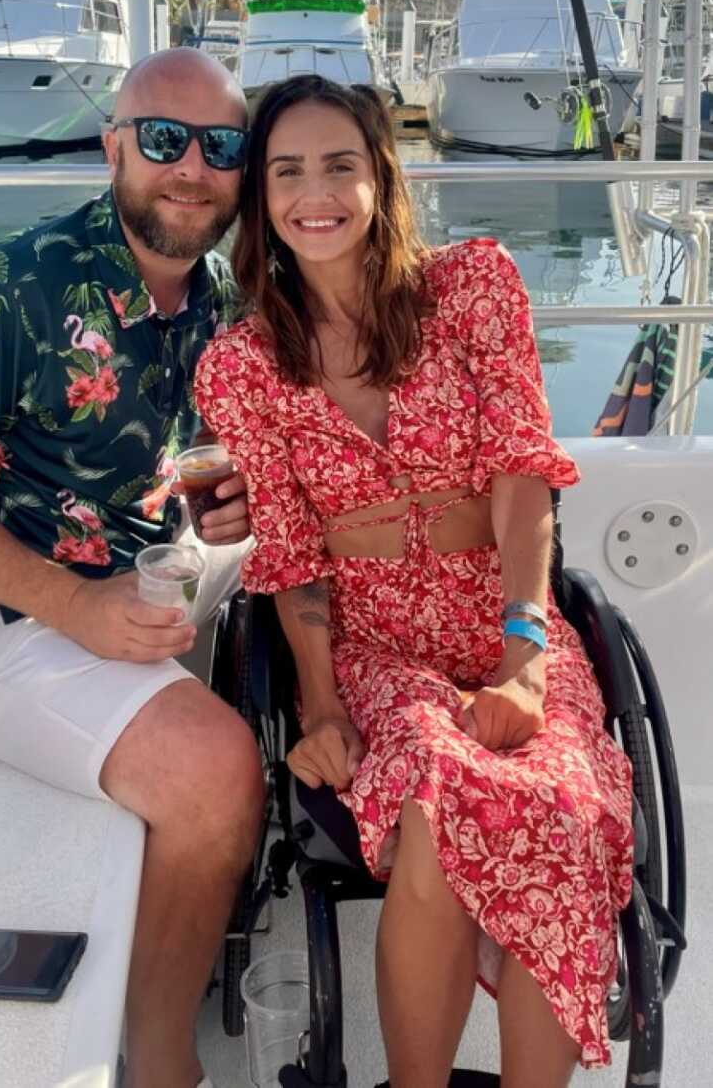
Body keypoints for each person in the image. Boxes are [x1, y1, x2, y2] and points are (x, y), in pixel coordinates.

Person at [194, 75, 634, 1087]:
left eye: (340, 165)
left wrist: (526, 654)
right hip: (376, 640)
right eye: (287, 170)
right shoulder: (242, 364)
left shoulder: (473, 284)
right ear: (260, 197)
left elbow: (524, 477)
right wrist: (322, 703)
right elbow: (295, 551)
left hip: (504, 612)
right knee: (438, 795)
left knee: (560, 802)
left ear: (380, 176)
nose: (317, 193)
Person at [0, 48, 265, 1088]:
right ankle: (158, 1057)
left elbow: (177, 458)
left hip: (138, 575)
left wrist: (223, 495)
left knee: (316, 556)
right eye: (164, 140)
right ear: (113, 147)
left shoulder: (215, 300)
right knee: (218, 773)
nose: (191, 169)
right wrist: (74, 606)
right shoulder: (3, 289)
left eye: (220, 146)